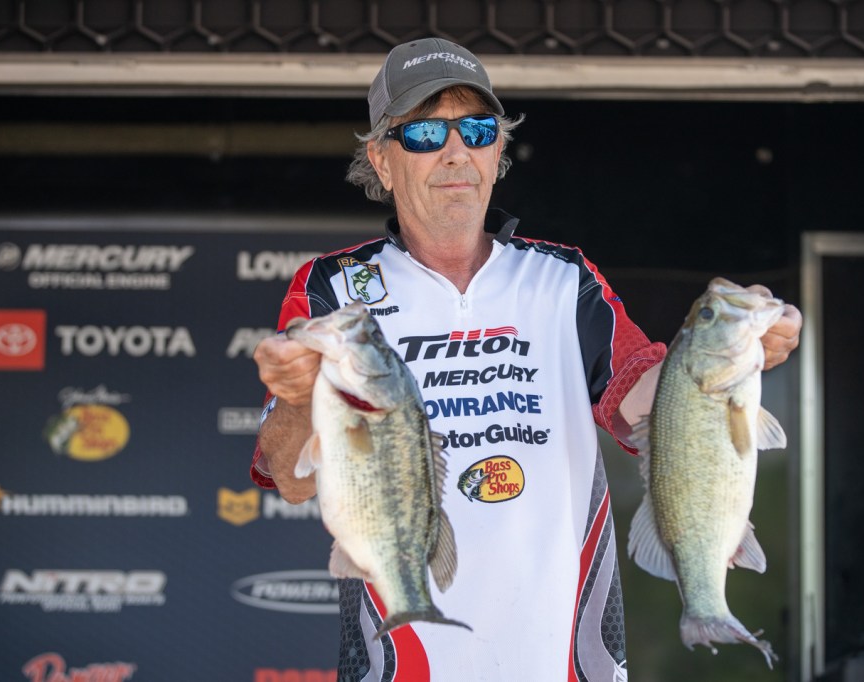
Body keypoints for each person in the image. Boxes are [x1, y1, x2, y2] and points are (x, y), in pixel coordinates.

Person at [251, 37, 802, 682]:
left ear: (498, 152)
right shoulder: (333, 289)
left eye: (478, 130)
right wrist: (297, 396)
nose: (456, 152)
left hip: (564, 660)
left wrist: (736, 353)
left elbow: (649, 402)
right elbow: (290, 477)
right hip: (401, 663)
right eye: (425, 133)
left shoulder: (563, 279)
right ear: (382, 159)